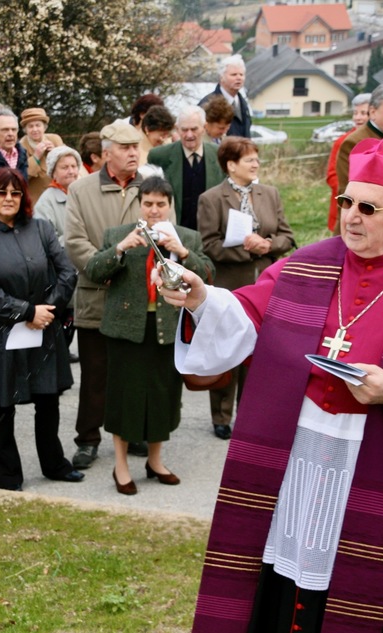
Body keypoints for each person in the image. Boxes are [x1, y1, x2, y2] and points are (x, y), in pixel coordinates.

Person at [162, 137, 383, 633]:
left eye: (368, 208)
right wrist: (201, 297)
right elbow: (245, 316)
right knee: (293, 579)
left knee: (376, 594)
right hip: (304, 464)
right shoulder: (307, 266)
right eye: (346, 202)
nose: (351, 217)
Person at [85, 177, 214, 495]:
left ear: (170, 205)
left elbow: (208, 275)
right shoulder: (118, 234)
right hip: (125, 330)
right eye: (148, 204)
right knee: (123, 398)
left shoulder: (187, 237)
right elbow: (93, 271)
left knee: (162, 397)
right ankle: (121, 465)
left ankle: (155, 461)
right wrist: (120, 248)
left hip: (166, 331)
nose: (154, 210)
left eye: (160, 204)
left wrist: (182, 252)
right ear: (139, 204)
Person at [0, 169, 84, 491]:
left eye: (15, 193)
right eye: (2, 192)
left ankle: (54, 464)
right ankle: (8, 476)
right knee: (1, 407)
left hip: (44, 326)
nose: (9, 199)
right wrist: (27, 312)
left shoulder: (41, 228)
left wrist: (46, 311)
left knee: (48, 400)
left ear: (23, 197)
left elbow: (67, 272)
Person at [198, 137, 296, 440]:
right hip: (231, 285)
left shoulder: (270, 193)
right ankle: (221, 416)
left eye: (256, 159)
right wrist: (246, 248)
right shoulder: (212, 198)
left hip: (265, 284)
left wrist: (267, 245)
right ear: (231, 165)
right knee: (229, 350)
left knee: (260, 353)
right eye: (249, 160)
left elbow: (288, 237)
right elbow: (208, 245)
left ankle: (250, 412)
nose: (256, 164)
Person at [65, 123, 148, 470]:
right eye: (125, 148)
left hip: (139, 295)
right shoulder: (80, 189)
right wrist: (108, 263)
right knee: (95, 375)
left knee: (134, 372)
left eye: (136, 147)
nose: (133, 153)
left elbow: (164, 233)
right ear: (107, 153)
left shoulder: (150, 187)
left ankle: (133, 432)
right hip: (97, 294)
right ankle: (88, 439)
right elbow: (74, 243)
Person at [147, 105, 225, 230]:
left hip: (210, 233)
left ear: (204, 127)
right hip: (174, 232)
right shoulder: (160, 156)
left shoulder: (219, 155)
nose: (189, 135)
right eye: (184, 130)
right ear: (177, 129)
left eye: (194, 129)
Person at [325, 93, 371, 233]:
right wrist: (351, 196)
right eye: (355, 113)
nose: (358, 117)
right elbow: (332, 175)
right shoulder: (342, 142)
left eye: (363, 113)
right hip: (346, 205)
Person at [33, 146, 82, 246]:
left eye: (74, 166)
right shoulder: (45, 203)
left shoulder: (85, 194)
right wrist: (79, 238)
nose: (71, 171)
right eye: (65, 167)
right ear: (53, 173)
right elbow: (46, 242)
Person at [19, 107, 65, 205]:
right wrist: (36, 156)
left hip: (59, 195)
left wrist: (55, 152)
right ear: (25, 130)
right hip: (35, 200)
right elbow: (23, 175)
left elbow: (67, 163)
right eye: (30, 126)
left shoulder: (55, 139)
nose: (35, 129)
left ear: (44, 127)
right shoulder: (21, 146)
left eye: (38, 125)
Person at [199, 55, 252, 139]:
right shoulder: (208, 104)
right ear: (221, 77)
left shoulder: (243, 104)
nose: (239, 78)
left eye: (241, 75)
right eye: (234, 75)